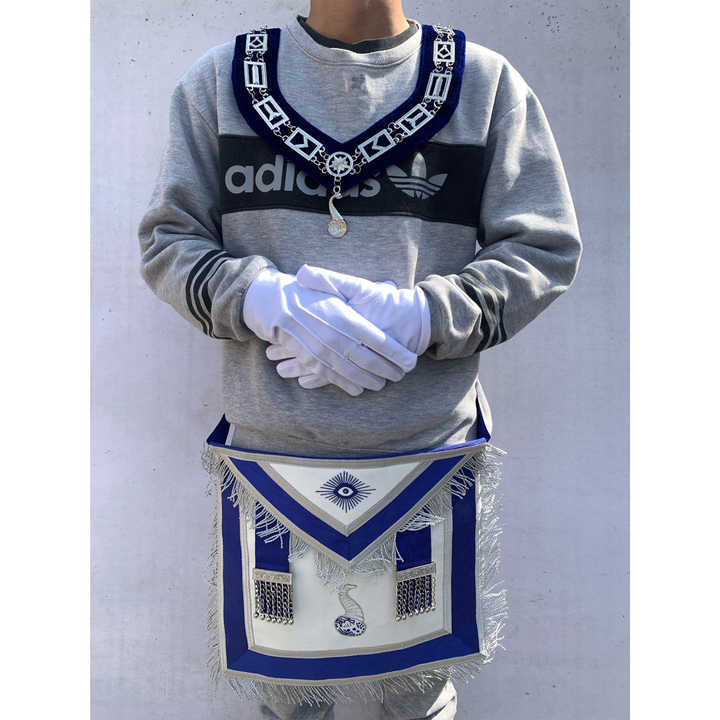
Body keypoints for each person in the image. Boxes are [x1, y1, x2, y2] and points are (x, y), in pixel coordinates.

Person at [137, 1, 582, 718]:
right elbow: (168, 242)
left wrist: (427, 314)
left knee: (417, 693)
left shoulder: (484, 85)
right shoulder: (220, 83)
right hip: (275, 462)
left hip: (424, 456)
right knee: (289, 694)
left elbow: (543, 247)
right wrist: (261, 299)